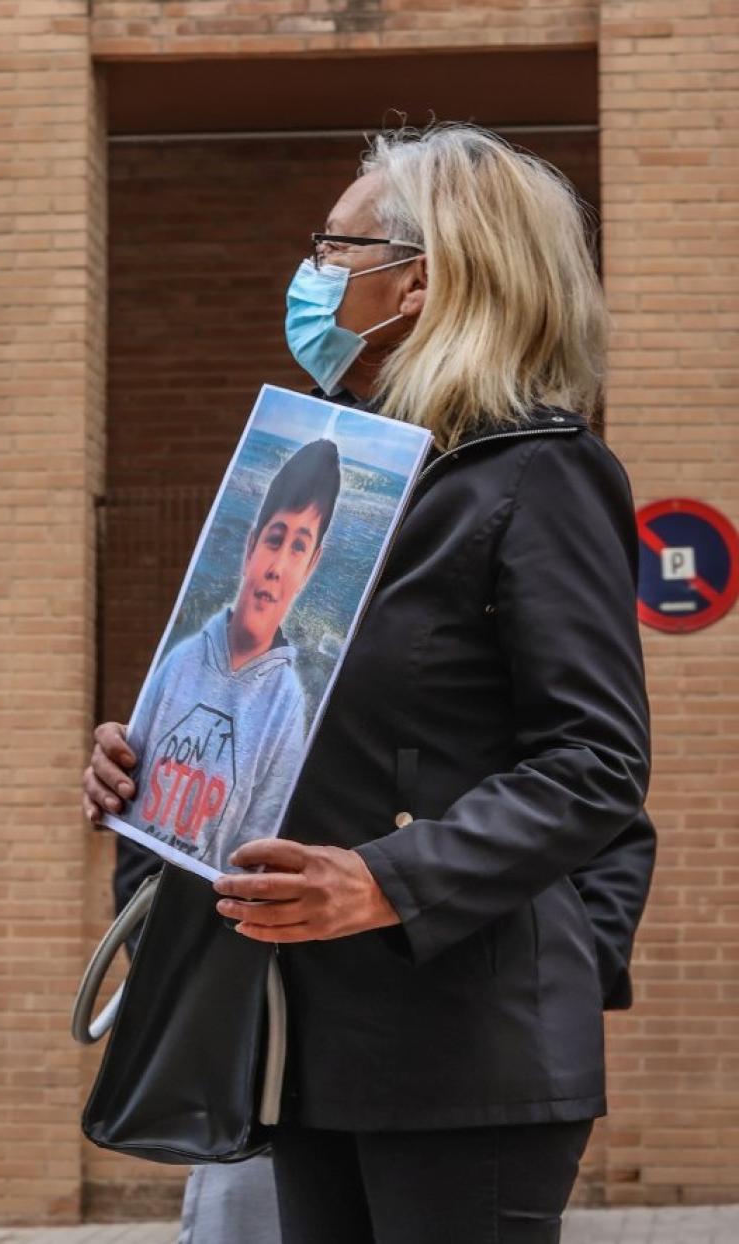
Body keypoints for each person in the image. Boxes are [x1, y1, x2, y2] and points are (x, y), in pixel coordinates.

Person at [87, 123, 651, 1244]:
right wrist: (161, 758)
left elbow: (596, 765)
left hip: (462, 1053)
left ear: (422, 282)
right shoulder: (349, 482)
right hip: (311, 1038)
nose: (312, 273)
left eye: (336, 247)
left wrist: (388, 877)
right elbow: (305, 722)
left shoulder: (542, 473)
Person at [121, 438, 342, 873]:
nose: (278, 566)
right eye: (274, 539)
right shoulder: (182, 659)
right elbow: (128, 791)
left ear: (311, 567)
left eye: (298, 547)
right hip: (143, 909)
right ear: (250, 547)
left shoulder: (286, 704)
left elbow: (258, 847)